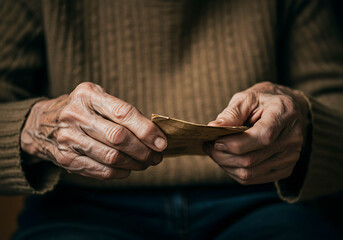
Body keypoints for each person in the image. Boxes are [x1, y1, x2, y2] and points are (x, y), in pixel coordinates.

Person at [0, 0, 342, 239]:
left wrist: (305, 122)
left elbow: (334, 99)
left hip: (260, 199)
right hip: (79, 205)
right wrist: (34, 127)